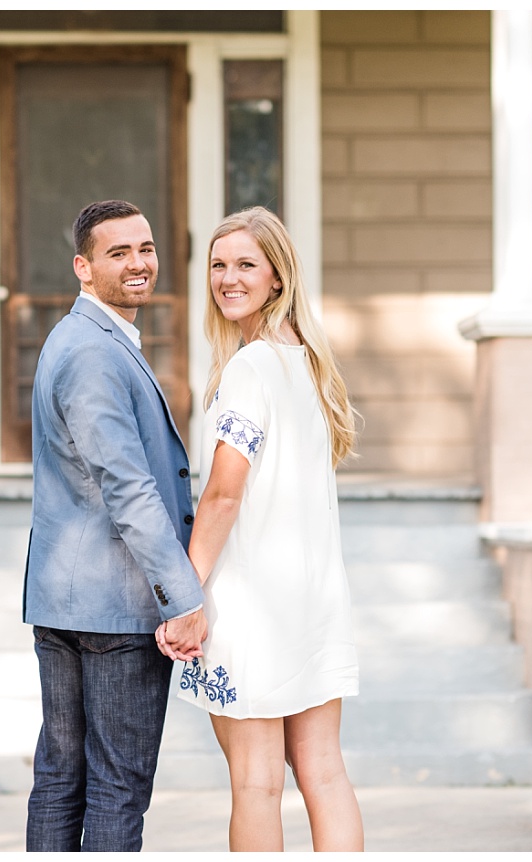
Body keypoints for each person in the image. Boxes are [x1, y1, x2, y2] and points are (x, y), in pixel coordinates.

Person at [157, 206, 364, 852]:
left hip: (252, 610)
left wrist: (186, 595)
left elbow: (222, 494)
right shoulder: (306, 365)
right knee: (324, 773)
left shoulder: (250, 370)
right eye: (218, 265)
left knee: (255, 784)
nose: (228, 278)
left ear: (278, 277)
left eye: (245, 264)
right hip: (314, 604)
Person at [23, 199, 208, 852]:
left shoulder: (84, 341)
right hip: (114, 610)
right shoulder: (94, 353)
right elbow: (127, 488)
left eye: (146, 248)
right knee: (115, 785)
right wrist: (183, 597)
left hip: (68, 602)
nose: (138, 264)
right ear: (83, 266)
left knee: (63, 776)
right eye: (118, 252)